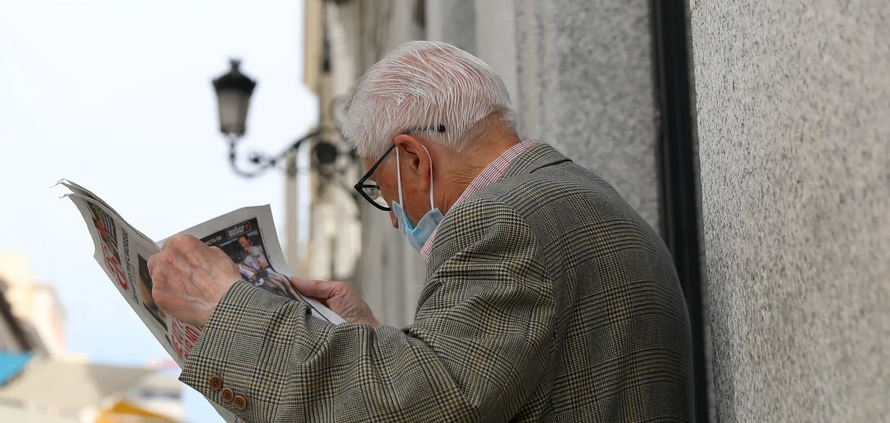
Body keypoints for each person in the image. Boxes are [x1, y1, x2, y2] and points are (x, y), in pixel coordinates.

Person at [149, 41, 694, 421]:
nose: (390, 215)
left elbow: (422, 406)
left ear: (411, 156)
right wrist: (366, 337)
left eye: (381, 187)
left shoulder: (498, 219)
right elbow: (479, 383)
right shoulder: (575, 193)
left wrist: (230, 311)